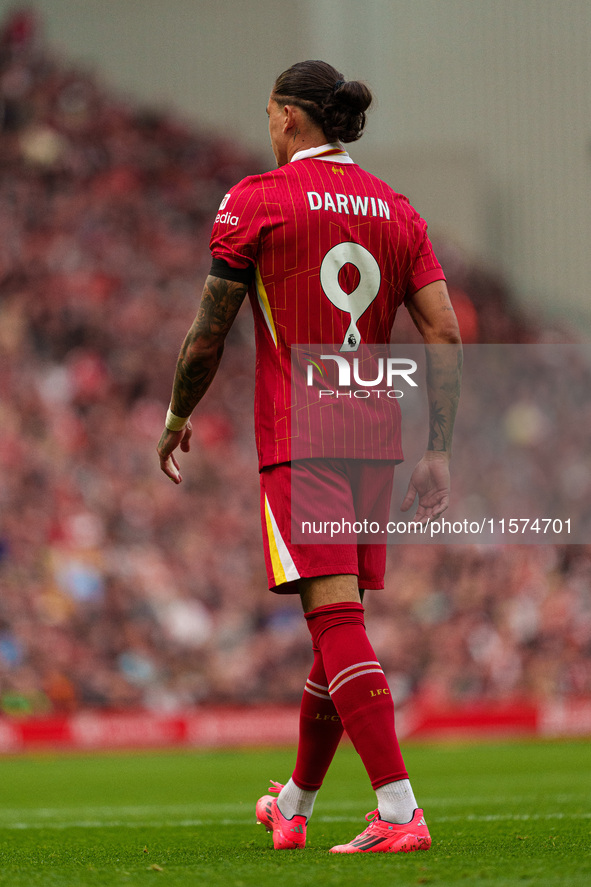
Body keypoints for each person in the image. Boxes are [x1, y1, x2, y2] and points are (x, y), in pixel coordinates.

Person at [157, 60, 462, 854]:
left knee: (336, 621)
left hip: (304, 434)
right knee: (334, 625)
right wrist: (437, 449)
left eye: (268, 112)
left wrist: (176, 411)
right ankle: (293, 803)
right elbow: (445, 331)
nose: (265, 124)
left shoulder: (254, 201)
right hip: (377, 436)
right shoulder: (397, 210)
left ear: (290, 118)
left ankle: (399, 810)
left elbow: (208, 329)